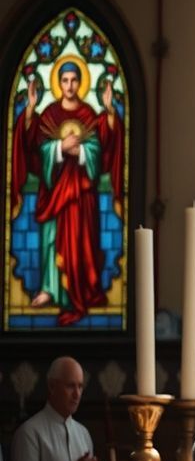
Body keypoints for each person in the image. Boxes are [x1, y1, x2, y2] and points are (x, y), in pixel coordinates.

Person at [10, 61, 124, 326]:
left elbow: (100, 149)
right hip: (54, 194)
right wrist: (58, 145)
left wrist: (105, 114)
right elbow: (34, 147)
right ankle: (50, 289)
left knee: (81, 242)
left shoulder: (88, 114)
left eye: (74, 80)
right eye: (65, 80)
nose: (70, 85)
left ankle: (79, 292)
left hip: (82, 197)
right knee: (52, 241)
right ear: (58, 83)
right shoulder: (49, 114)